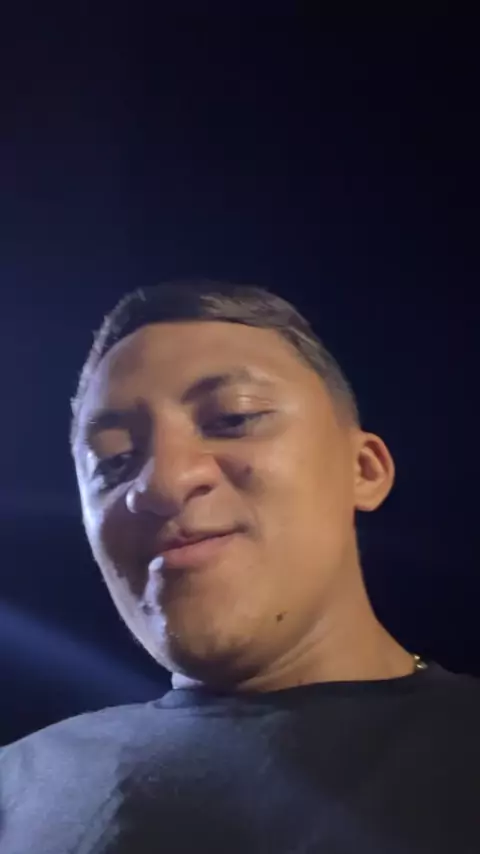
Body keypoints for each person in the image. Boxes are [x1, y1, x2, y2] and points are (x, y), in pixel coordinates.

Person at [1, 280, 479, 854]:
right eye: (114, 461)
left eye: (233, 418)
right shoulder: (15, 791)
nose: (162, 483)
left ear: (364, 469)